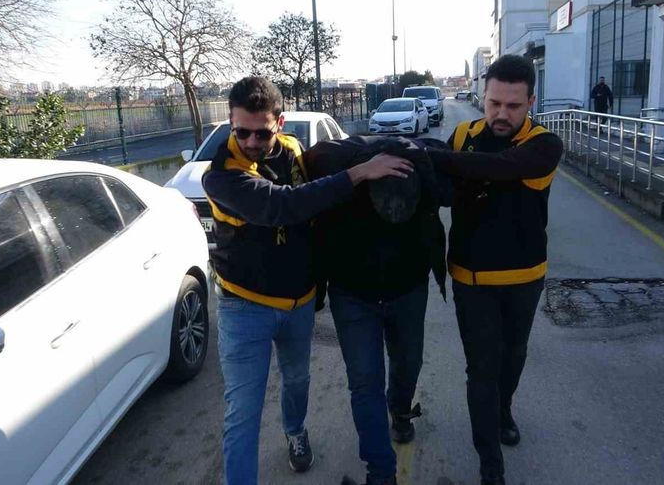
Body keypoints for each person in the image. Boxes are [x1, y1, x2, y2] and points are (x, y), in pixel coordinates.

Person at [202, 77, 413, 485]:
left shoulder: (295, 151)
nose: (250, 141)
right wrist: (359, 173)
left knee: (297, 380)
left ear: (279, 123)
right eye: (241, 131)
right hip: (244, 307)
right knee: (243, 412)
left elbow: (321, 204)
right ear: (230, 123)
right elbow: (284, 205)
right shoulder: (222, 175)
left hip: (298, 303)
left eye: (261, 132)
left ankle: (295, 431)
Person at [426, 54, 564, 485]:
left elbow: (501, 167)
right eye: (494, 103)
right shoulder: (463, 134)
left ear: (531, 103)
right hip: (471, 279)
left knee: (513, 356)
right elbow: (444, 189)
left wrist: (442, 160)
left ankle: (504, 409)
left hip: (525, 277)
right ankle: (491, 465)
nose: (502, 114)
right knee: (481, 369)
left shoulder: (544, 144)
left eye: (513, 105)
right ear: (483, 97)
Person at [302, 135, 449, 485]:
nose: (392, 208)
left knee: (408, 363)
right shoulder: (341, 173)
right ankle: (381, 474)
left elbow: (452, 188)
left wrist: (421, 157)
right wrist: (359, 171)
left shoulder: (420, 170)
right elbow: (309, 167)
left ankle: (400, 410)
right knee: (365, 382)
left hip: (408, 290)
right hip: (352, 295)